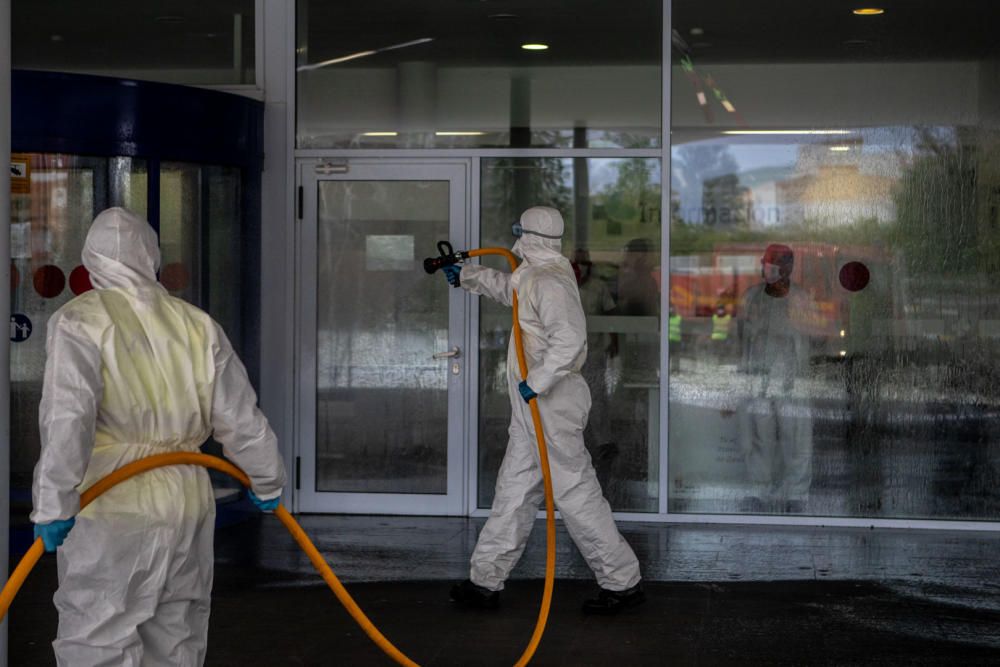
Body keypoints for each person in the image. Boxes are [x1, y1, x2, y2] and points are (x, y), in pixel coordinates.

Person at [30, 207, 286, 665]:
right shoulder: (196, 323)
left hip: (113, 500)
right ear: (151, 257)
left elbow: (69, 419)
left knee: (100, 632)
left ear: (91, 260)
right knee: (176, 632)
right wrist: (267, 481)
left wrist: (53, 503)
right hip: (187, 493)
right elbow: (242, 417)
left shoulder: (80, 320)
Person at [441, 206, 643, 614]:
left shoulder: (549, 279)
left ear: (528, 235)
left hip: (549, 405)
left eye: (518, 230)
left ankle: (622, 582)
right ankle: (485, 581)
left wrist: (535, 383)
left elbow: (569, 340)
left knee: (575, 492)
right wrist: (466, 275)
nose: (513, 235)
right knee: (513, 493)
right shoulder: (535, 273)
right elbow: (510, 290)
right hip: (532, 408)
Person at [737, 243, 813, 514]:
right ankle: (759, 491)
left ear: (788, 268)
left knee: (796, 437)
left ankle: (797, 493)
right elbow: (741, 337)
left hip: (791, 378)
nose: (766, 270)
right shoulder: (752, 298)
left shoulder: (801, 299)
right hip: (759, 378)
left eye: (773, 265)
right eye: (766, 264)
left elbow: (809, 340)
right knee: (760, 437)